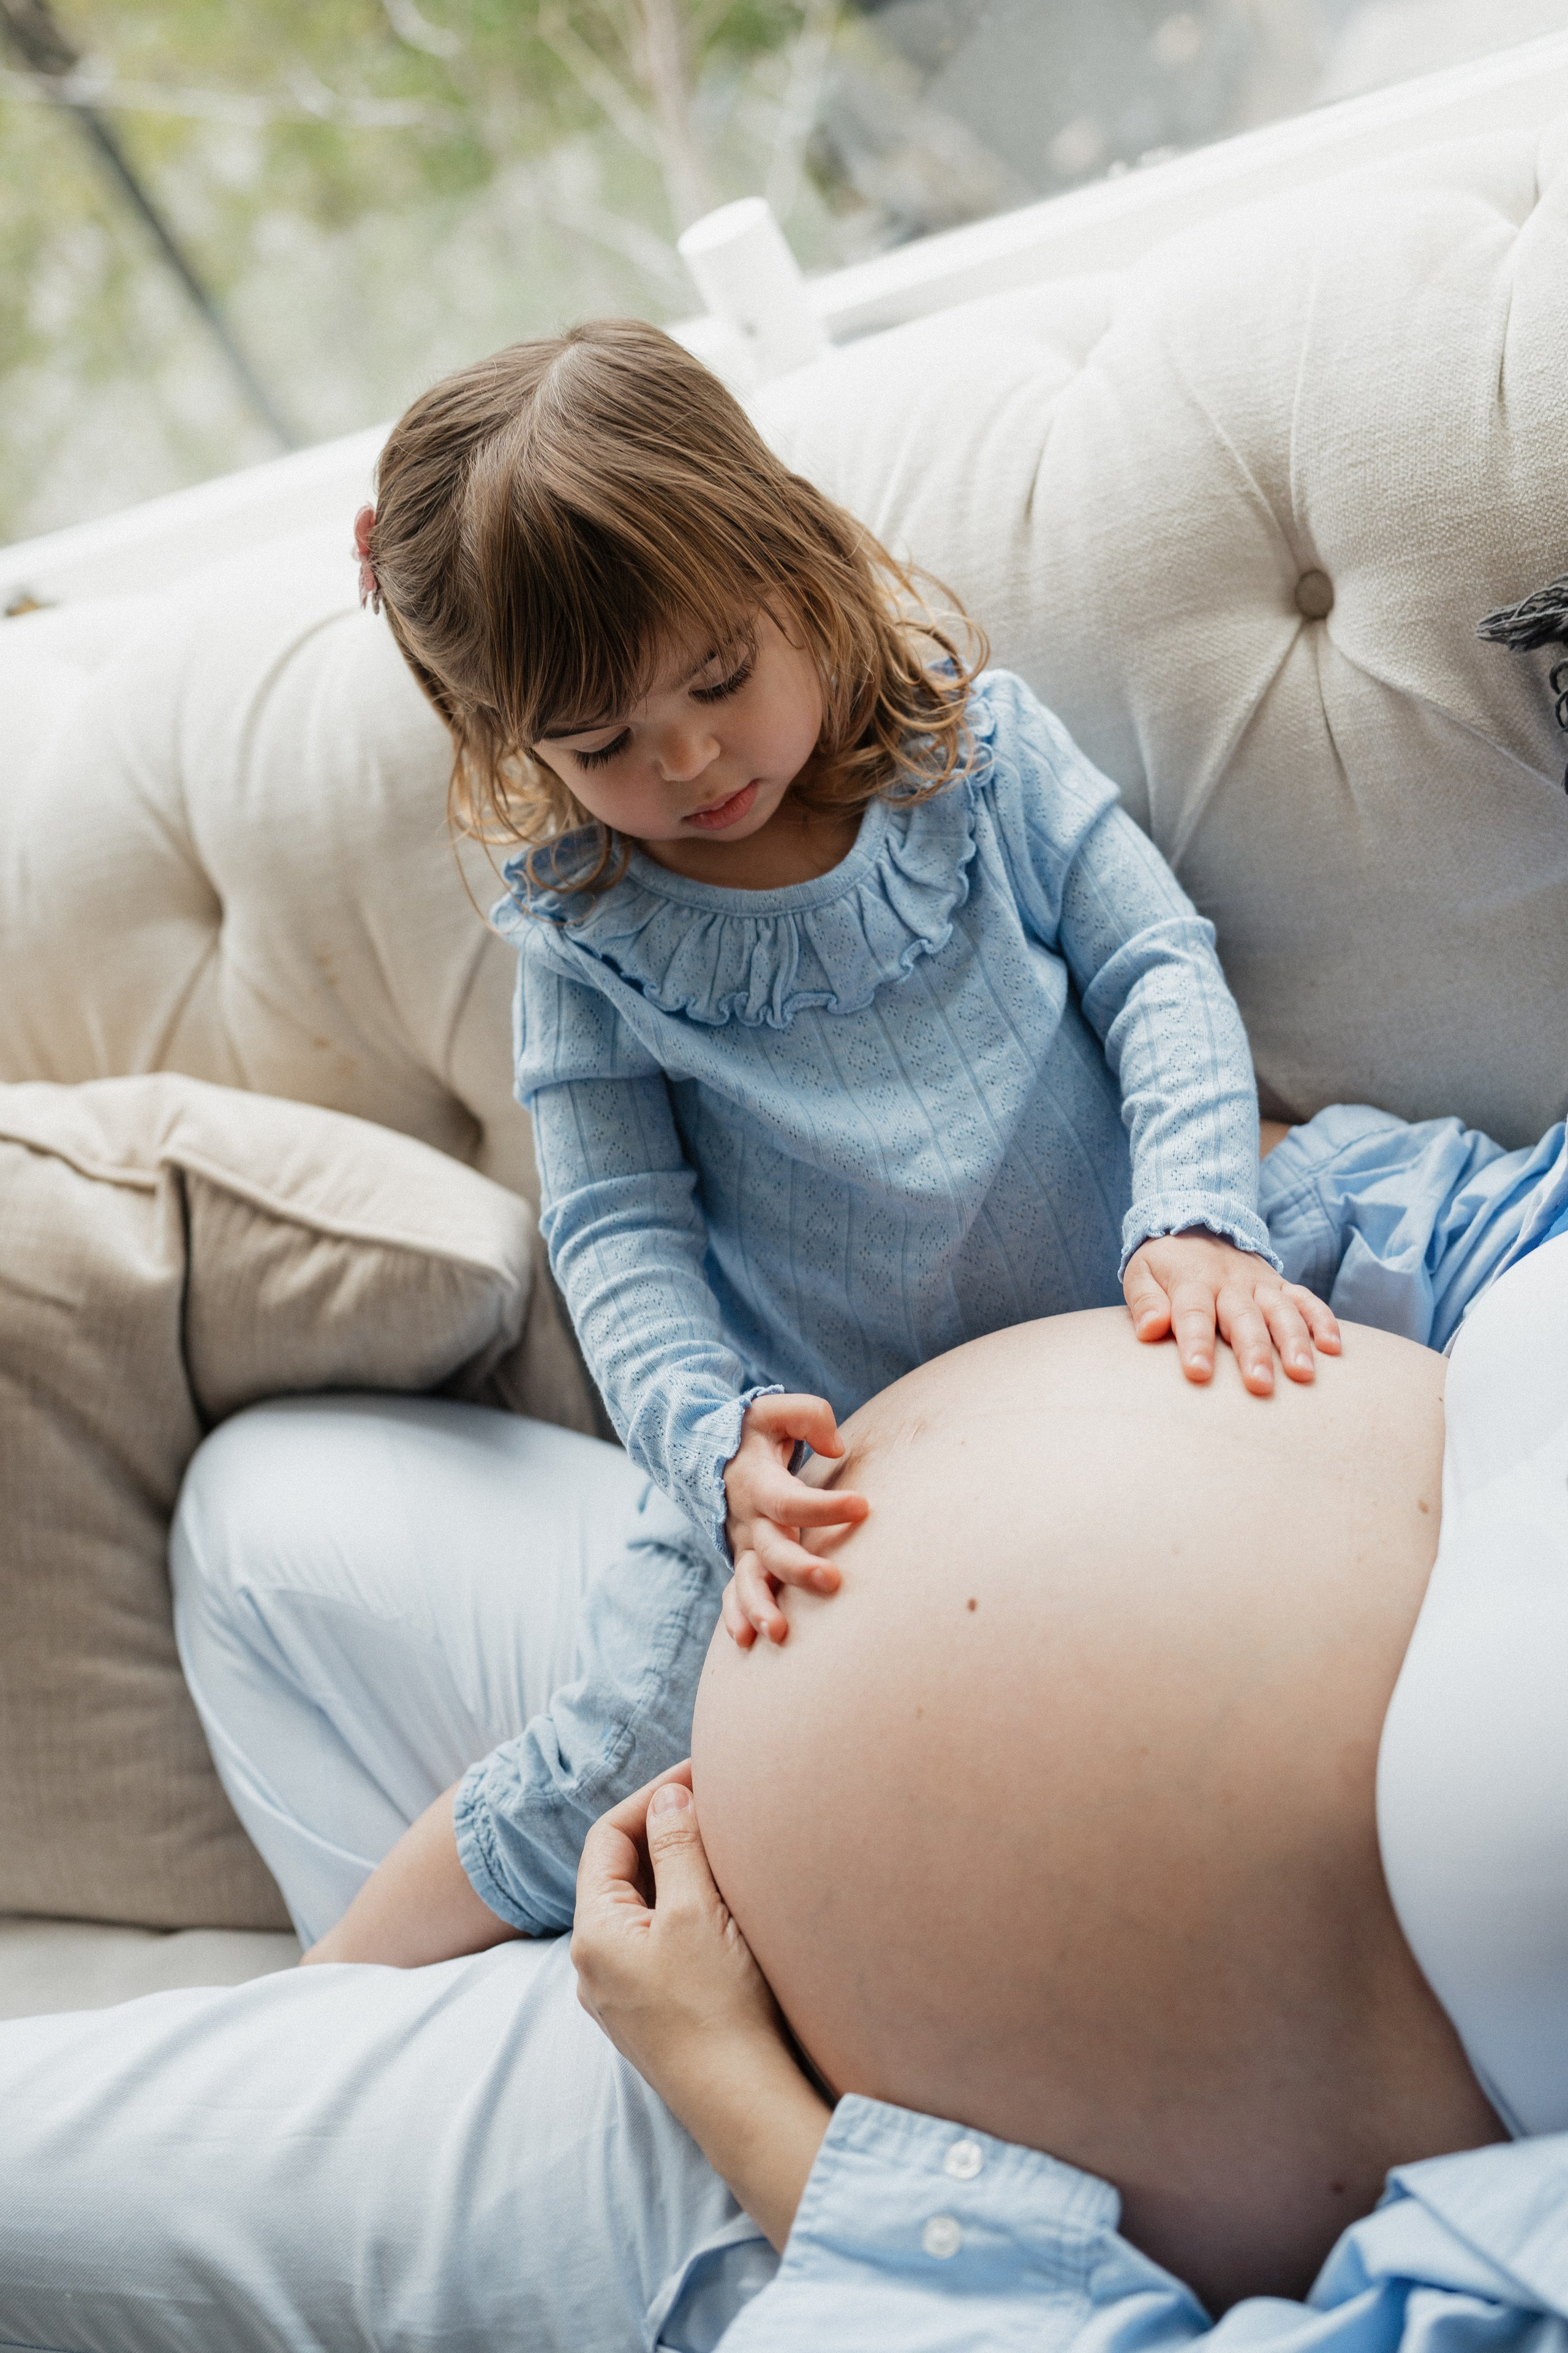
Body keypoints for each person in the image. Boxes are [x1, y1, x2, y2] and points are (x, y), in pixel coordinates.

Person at [0, 1250, 1563, 2348]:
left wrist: (721, 2073)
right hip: (752, 1613)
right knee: (269, 1522)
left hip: (854, 2148)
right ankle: (405, 2126)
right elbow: (1477, 1224)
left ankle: (523, 2157)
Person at [315, 315, 1335, 1963]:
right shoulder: (583, 941)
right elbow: (619, 1230)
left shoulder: (971, 755)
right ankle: (329, 1993)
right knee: (616, 1738)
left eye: (719, 679)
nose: (691, 758)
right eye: (601, 743)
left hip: (1147, 1270)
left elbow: (1155, 965)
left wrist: (1202, 1207)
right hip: (828, 1440)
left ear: (798, 565)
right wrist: (708, 1440)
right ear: (509, 736)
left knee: (1405, 1218)